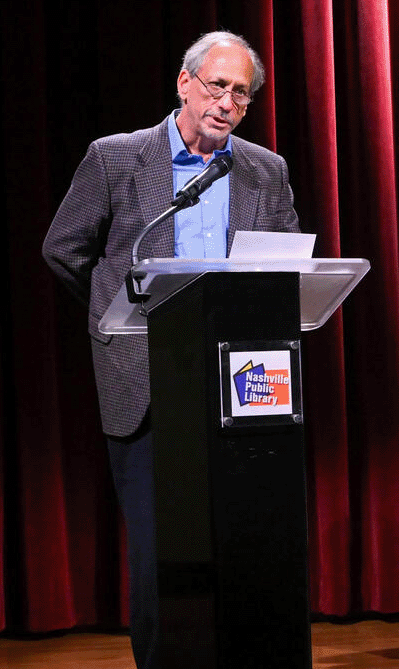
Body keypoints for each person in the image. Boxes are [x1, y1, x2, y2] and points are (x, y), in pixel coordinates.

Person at [42, 31, 300, 669]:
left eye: (242, 94)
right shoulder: (117, 159)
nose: (228, 102)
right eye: (217, 85)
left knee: (244, 542)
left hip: (243, 383)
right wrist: (121, 315)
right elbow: (63, 249)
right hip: (149, 377)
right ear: (184, 83)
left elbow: (290, 265)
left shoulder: (266, 169)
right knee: (160, 550)